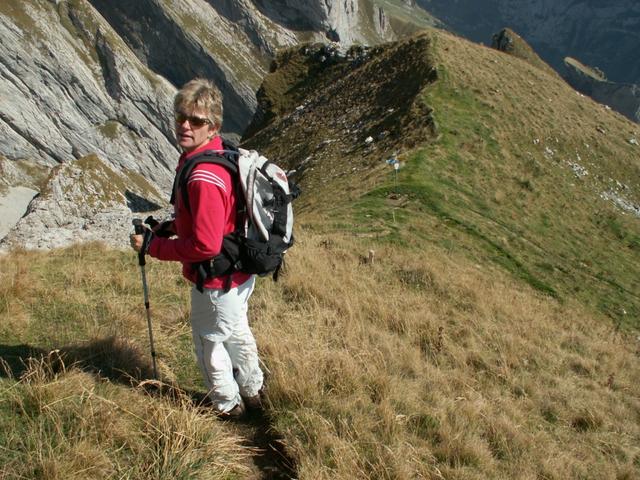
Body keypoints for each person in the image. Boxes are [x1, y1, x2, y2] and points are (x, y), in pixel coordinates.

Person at [130, 78, 263, 418]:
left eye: (196, 120)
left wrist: (153, 246)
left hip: (216, 280)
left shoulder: (202, 176)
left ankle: (228, 407)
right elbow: (214, 219)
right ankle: (254, 391)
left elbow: (205, 244)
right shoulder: (219, 154)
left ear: (213, 126)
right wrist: (171, 227)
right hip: (239, 271)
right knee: (236, 331)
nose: (185, 125)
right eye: (181, 117)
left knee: (209, 343)